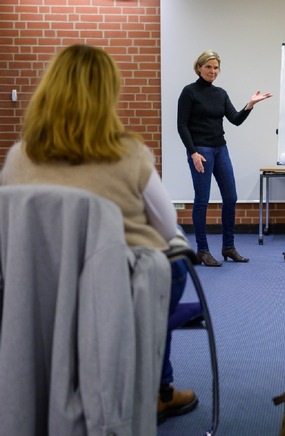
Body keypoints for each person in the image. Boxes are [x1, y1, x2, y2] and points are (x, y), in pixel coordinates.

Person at [0, 44, 198, 423]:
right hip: (118, 288)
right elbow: (167, 226)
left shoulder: (19, 156)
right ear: (108, 94)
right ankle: (158, 389)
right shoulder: (129, 153)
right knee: (169, 260)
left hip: (40, 288)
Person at [177, 49, 272, 267]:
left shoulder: (220, 93)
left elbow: (235, 120)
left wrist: (250, 105)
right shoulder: (189, 92)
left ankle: (228, 247)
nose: (212, 71)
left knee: (231, 197)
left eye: (216, 68)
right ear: (199, 68)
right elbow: (182, 125)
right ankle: (202, 251)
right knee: (202, 200)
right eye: (208, 67)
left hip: (220, 149)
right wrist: (193, 153)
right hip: (200, 150)